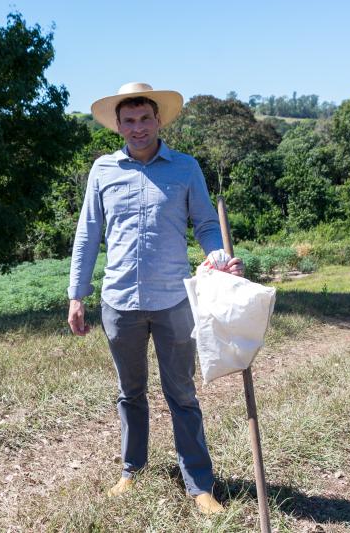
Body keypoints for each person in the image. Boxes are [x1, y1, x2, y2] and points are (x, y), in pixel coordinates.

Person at [67, 82, 243, 515]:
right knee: (130, 391)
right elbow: (88, 233)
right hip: (119, 300)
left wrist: (219, 256)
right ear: (118, 125)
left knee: (181, 392)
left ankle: (200, 485)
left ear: (158, 120)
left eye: (146, 118)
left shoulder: (185, 168)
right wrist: (76, 294)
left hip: (173, 300)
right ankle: (132, 470)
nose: (138, 127)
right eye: (129, 120)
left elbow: (204, 223)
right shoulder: (103, 171)